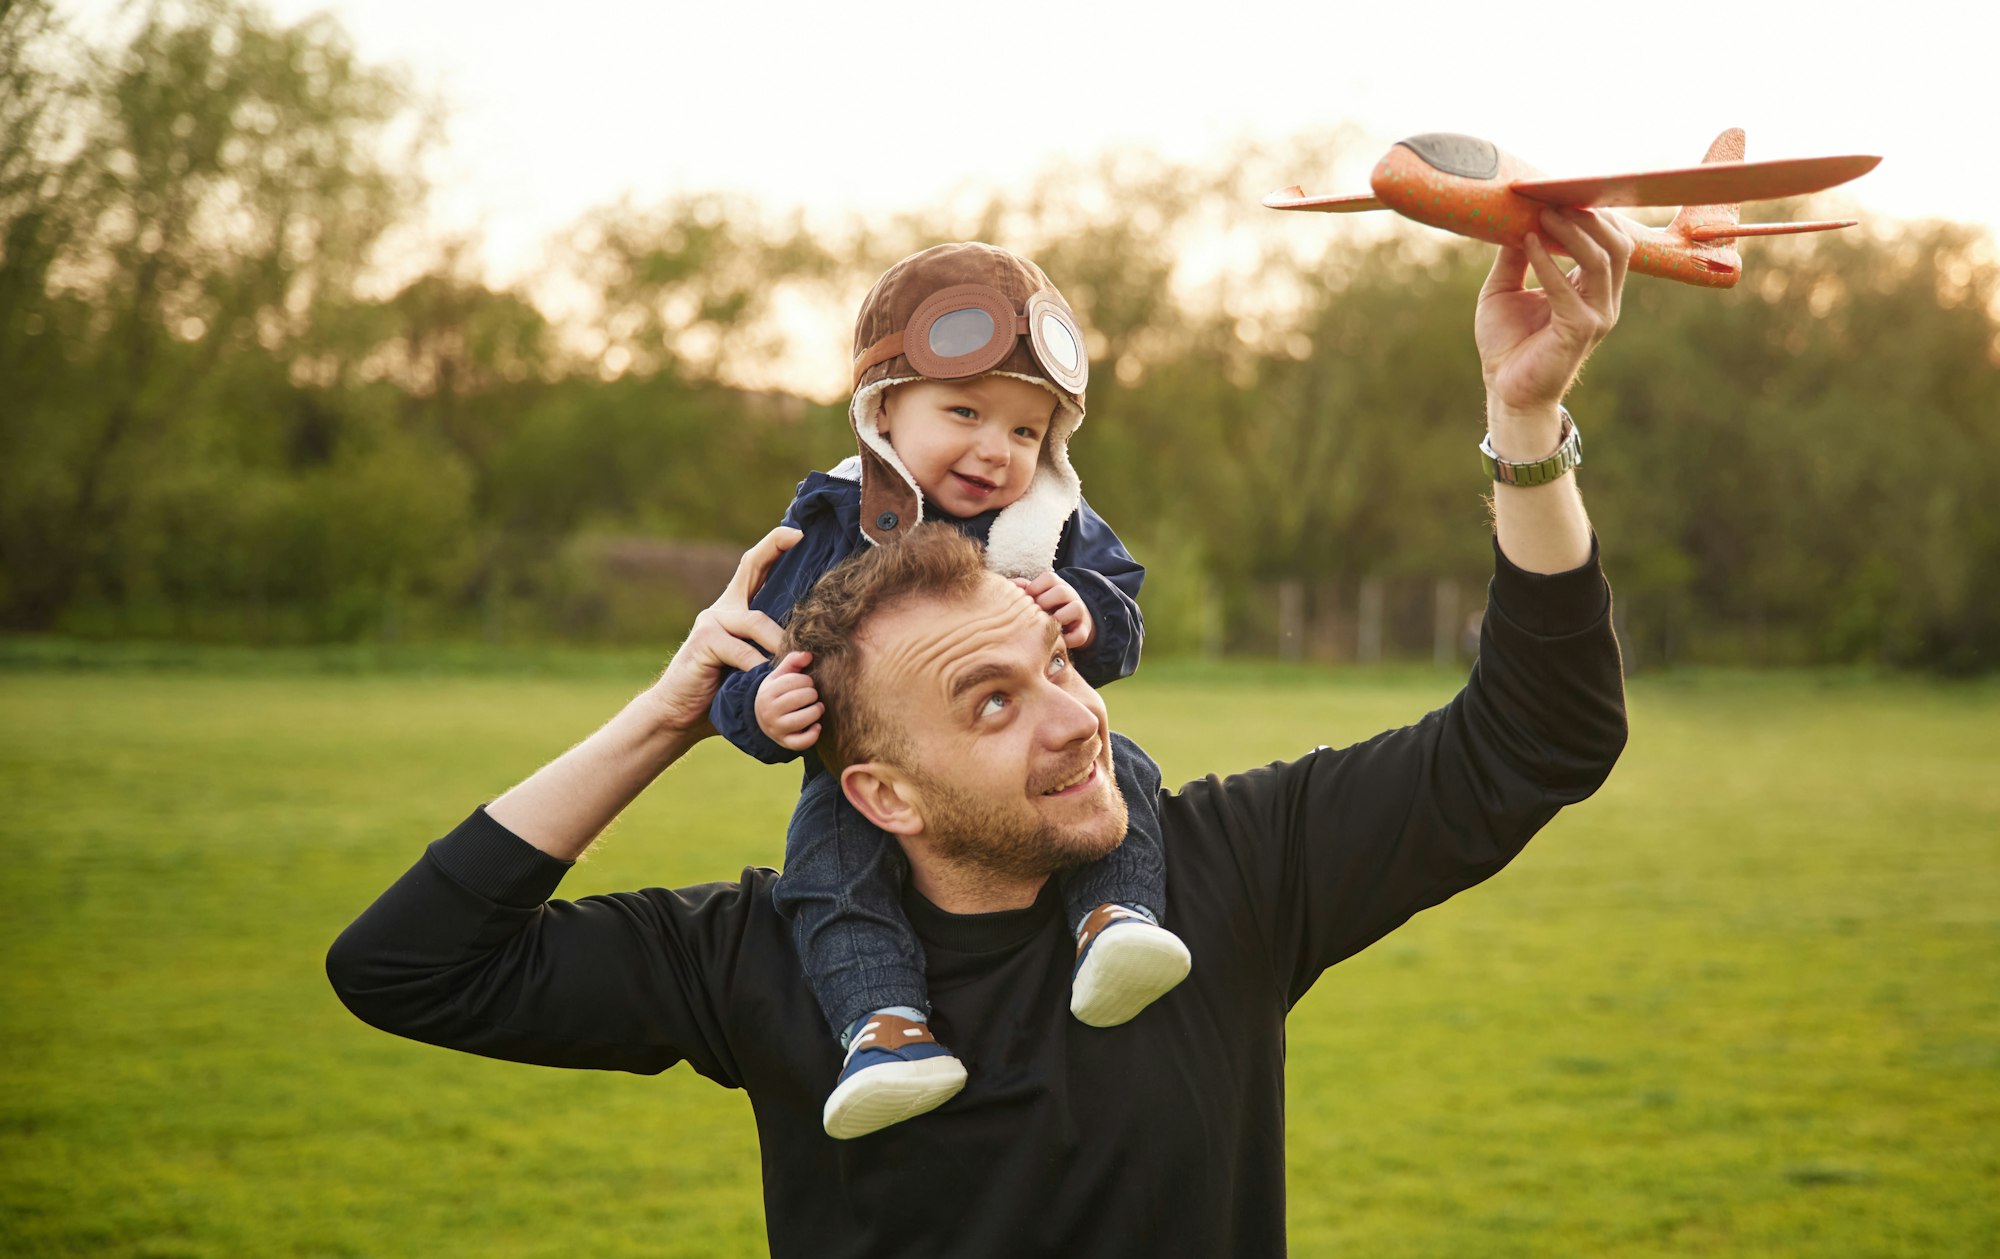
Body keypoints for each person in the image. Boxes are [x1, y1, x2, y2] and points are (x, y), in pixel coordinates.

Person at [327, 207, 1634, 1256]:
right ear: (878, 791)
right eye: (990, 702)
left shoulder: (1222, 874)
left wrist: (1523, 427)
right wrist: (672, 712)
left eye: (1053, 664)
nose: (1075, 719)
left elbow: (1543, 734)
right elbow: (408, 967)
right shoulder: (771, 955)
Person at [708, 242, 1189, 1139]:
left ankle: (1116, 921)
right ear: (883, 408)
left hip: (1031, 755)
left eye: (1024, 430)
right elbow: (744, 666)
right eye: (964, 410)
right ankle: (885, 1029)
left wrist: (1087, 610)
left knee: (1122, 769)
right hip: (867, 779)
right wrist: (763, 711)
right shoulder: (832, 519)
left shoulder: (1050, 523)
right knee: (826, 866)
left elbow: (1122, 622)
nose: (995, 449)